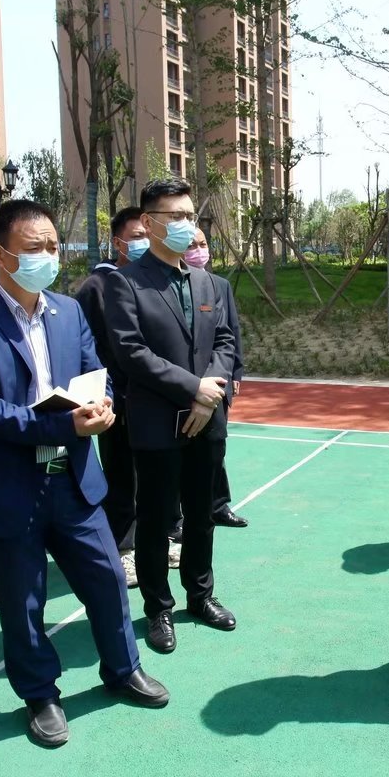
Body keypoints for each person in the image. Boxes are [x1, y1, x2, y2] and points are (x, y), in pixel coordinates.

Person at [0, 198, 167, 747]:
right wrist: (68, 425)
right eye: (33, 247)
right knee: (23, 602)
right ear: (0, 255)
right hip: (11, 486)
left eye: (51, 245)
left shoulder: (68, 311)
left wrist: (104, 404)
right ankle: (40, 694)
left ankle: (123, 669)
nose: (46, 255)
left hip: (73, 478)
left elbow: (96, 372)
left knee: (107, 580)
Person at [104, 178, 240, 655]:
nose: (185, 224)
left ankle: (200, 596)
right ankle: (158, 608)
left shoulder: (208, 282)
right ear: (148, 222)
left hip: (207, 418)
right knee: (156, 518)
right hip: (157, 422)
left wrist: (208, 396)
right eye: (175, 216)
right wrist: (192, 388)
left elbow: (225, 341)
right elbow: (131, 352)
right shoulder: (124, 283)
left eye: (189, 215)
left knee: (202, 515)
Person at [74, 205, 147, 586]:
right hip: (116, 399)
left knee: (151, 475)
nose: (144, 242)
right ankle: (122, 547)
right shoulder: (96, 287)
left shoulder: (152, 280)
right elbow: (87, 350)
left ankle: (152, 539)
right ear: (118, 243)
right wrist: (99, 396)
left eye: (148, 234)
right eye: (136, 237)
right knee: (121, 477)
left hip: (153, 397)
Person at [184, 226, 248, 529]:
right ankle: (180, 514)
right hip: (185, 382)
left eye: (203, 244)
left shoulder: (219, 285)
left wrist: (235, 370)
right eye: (191, 245)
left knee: (215, 447)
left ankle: (218, 505)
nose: (199, 251)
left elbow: (231, 332)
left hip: (217, 380)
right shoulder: (167, 287)